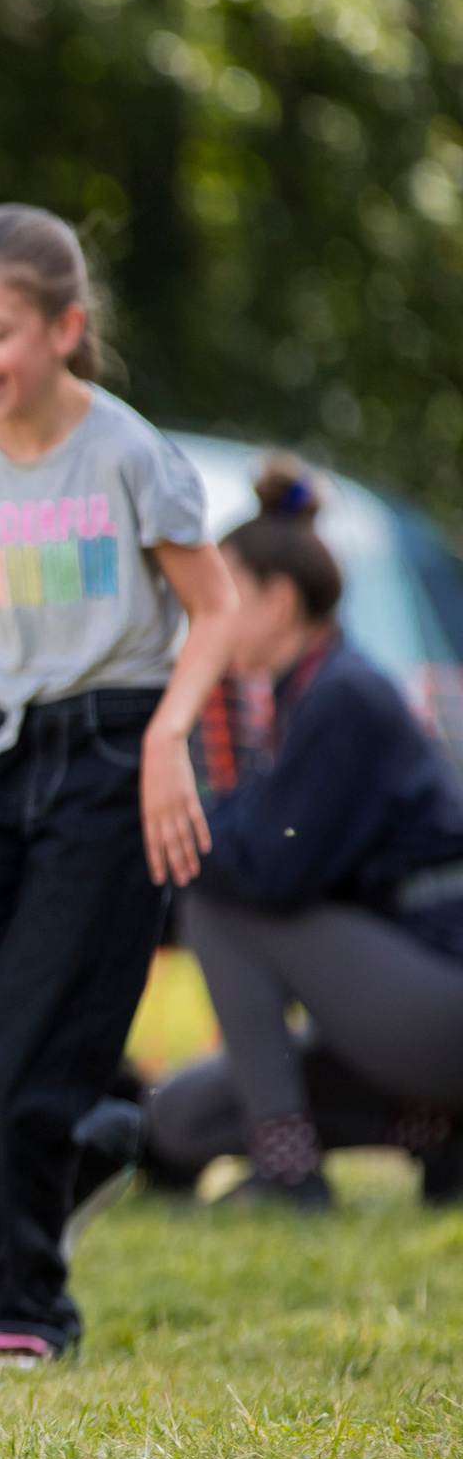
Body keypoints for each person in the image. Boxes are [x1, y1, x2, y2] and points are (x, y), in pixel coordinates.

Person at [0, 205, 238, 1368]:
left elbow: (216, 605)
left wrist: (172, 738)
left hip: (121, 753)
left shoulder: (128, 454)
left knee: (18, 1052)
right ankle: (84, 1148)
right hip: (6, 750)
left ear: (63, 329)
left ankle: (23, 1313)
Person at [142, 457, 463, 1210]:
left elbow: (266, 869)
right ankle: (439, 1134)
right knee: (178, 1117)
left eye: (223, 597)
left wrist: (170, 804)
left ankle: (290, 1172)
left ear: (279, 600)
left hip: (441, 990)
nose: (207, 619)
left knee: (216, 901)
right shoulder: (303, 696)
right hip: (401, 1003)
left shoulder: (343, 699)